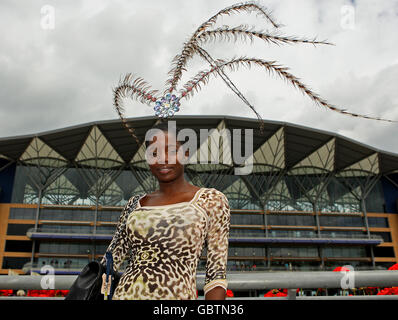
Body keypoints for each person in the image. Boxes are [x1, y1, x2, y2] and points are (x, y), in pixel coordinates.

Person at [101, 121, 231, 300]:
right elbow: (110, 261)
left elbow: (216, 274)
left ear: (185, 154)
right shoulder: (134, 203)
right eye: (154, 153)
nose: (162, 159)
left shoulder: (211, 201)